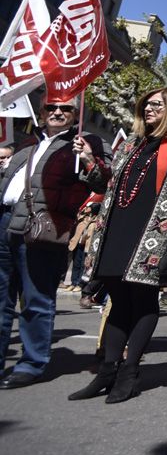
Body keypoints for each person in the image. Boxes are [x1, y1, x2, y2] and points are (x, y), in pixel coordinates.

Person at [70, 88, 167, 402]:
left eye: (156, 105)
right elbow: (108, 185)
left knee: (143, 300)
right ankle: (107, 371)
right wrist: (90, 161)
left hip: (155, 233)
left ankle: (130, 372)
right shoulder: (133, 143)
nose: (148, 108)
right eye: (146, 104)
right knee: (118, 301)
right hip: (118, 226)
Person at [0, 99, 107, 389]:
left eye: (66, 109)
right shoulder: (26, 144)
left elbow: (103, 184)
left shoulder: (86, 142)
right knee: (1, 301)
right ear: (43, 112)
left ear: (74, 114)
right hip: (5, 225)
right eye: (51, 107)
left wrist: (87, 158)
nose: (57, 112)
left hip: (41, 231)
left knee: (36, 301)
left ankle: (31, 363)